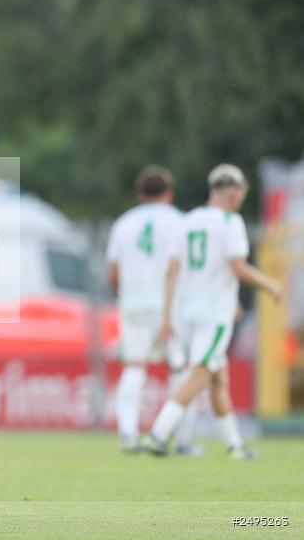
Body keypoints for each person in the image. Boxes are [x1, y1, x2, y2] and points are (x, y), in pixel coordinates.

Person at [143, 164, 282, 459]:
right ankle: (157, 434)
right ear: (234, 193)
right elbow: (237, 267)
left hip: (188, 311)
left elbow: (172, 270)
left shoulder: (189, 220)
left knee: (219, 377)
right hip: (214, 314)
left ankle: (234, 446)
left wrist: (168, 315)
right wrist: (269, 284)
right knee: (200, 373)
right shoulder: (230, 221)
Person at [106, 166, 195, 453]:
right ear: (169, 193)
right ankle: (181, 438)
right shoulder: (181, 221)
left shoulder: (123, 223)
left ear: (140, 193)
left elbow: (113, 272)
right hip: (172, 307)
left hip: (133, 304)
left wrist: (124, 294)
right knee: (179, 371)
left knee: (134, 368)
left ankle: (128, 434)